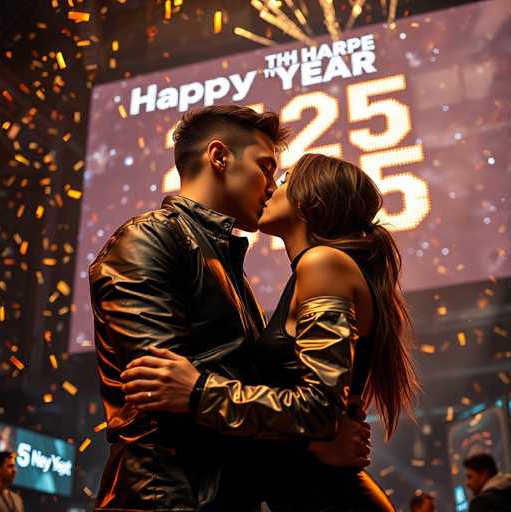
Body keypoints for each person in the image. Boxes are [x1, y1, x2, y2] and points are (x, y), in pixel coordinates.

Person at [90, 106, 372, 512]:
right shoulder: (150, 238)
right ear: (220, 157)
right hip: (166, 498)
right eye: (266, 167)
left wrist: (311, 435)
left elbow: (205, 392)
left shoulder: (225, 262)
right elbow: (160, 397)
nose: (272, 185)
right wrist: (307, 442)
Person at [123, 152, 419, 510]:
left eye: (282, 181)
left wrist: (198, 391)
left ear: (310, 198)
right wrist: (305, 442)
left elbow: (319, 411)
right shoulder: (315, 270)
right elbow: (315, 418)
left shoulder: (323, 262)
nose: (268, 190)